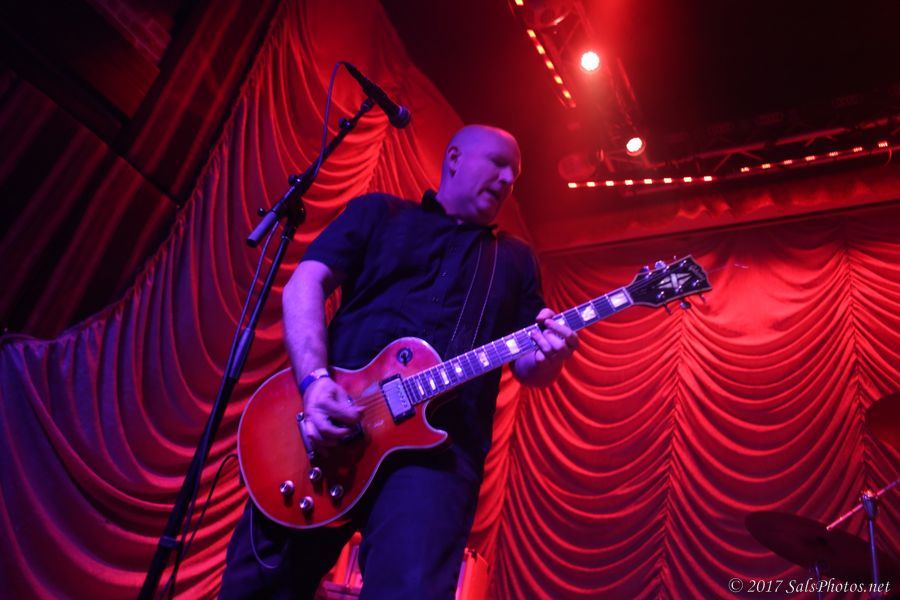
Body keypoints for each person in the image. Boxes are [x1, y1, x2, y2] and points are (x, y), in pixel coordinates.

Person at [220, 125, 578, 599]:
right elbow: (306, 283)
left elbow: (530, 365)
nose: (509, 179)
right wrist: (314, 384)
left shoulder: (513, 259)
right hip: (329, 428)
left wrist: (551, 356)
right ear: (454, 158)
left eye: (515, 175)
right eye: (499, 163)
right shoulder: (379, 213)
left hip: (439, 456)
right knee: (260, 588)